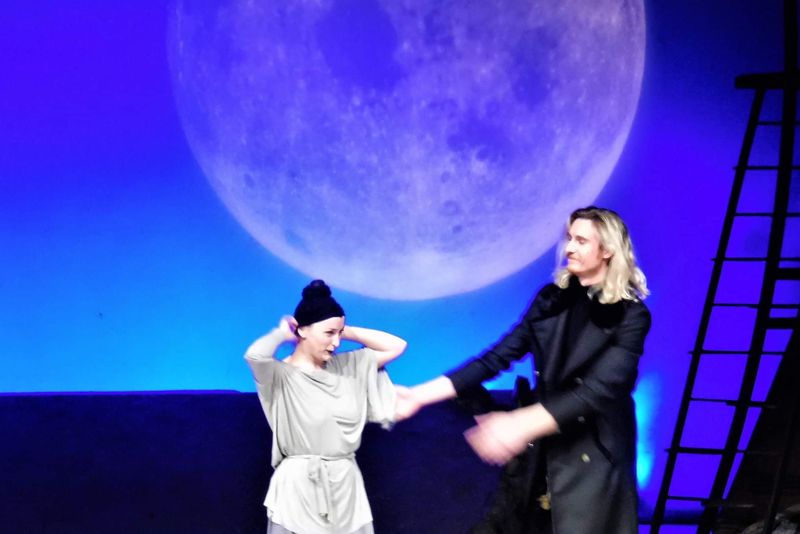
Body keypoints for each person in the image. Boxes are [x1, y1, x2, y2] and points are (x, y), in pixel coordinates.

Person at [395, 206, 651, 533]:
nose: (569, 248)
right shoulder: (551, 300)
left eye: (581, 241)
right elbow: (496, 357)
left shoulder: (631, 316)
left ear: (607, 251)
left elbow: (598, 391)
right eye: (569, 238)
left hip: (594, 458)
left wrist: (520, 424)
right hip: (544, 449)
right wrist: (418, 395)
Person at [245, 279, 407, 534]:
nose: (337, 342)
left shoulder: (349, 366)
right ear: (303, 330)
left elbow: (396, 345)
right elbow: (255, 356)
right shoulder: (280, 375)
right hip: (298, 488)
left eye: (339, 335)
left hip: (346, 486)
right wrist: (282, 334)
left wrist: (341, 328)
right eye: (329, 334)